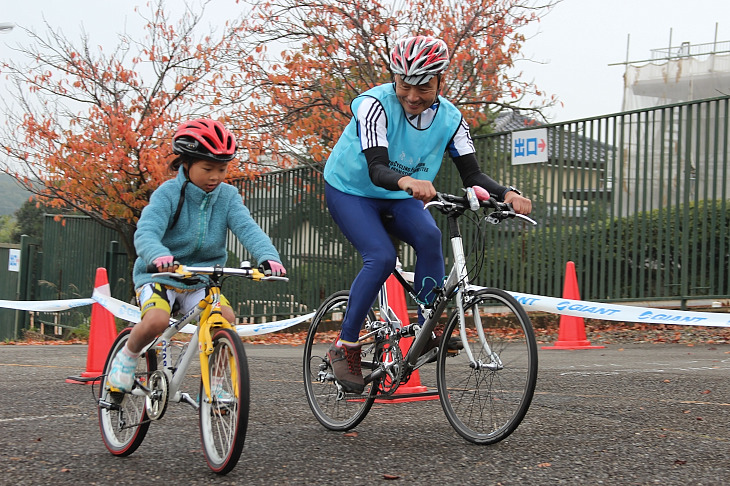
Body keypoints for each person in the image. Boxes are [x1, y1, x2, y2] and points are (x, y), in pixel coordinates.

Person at [322, 35, 532, 394]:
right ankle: (346, 346)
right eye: (405, 85)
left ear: (439, 81)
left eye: (424, 86)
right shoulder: (374, 105)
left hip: (401, 193)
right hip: (351, 190)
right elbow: (376, 168)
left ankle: (429, 327)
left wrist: (506, 193)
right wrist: (406, 180)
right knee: (382, 257)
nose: (413, 96)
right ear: (394, 79)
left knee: (430, 237)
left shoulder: (451, 118)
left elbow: (473, 174)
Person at [106, 118, 286, 393]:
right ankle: (127, 357)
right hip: (160, 275)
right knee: (156, 321)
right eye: (208, 168)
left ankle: (215, 385)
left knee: (226, 318)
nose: (216, 176)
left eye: (222, 169)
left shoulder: (227, 197)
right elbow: (146, 232)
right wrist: (157, 254)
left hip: (200, 280)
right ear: (186, 164)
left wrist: (268, 257)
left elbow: (248, 228)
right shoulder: (168, 194)